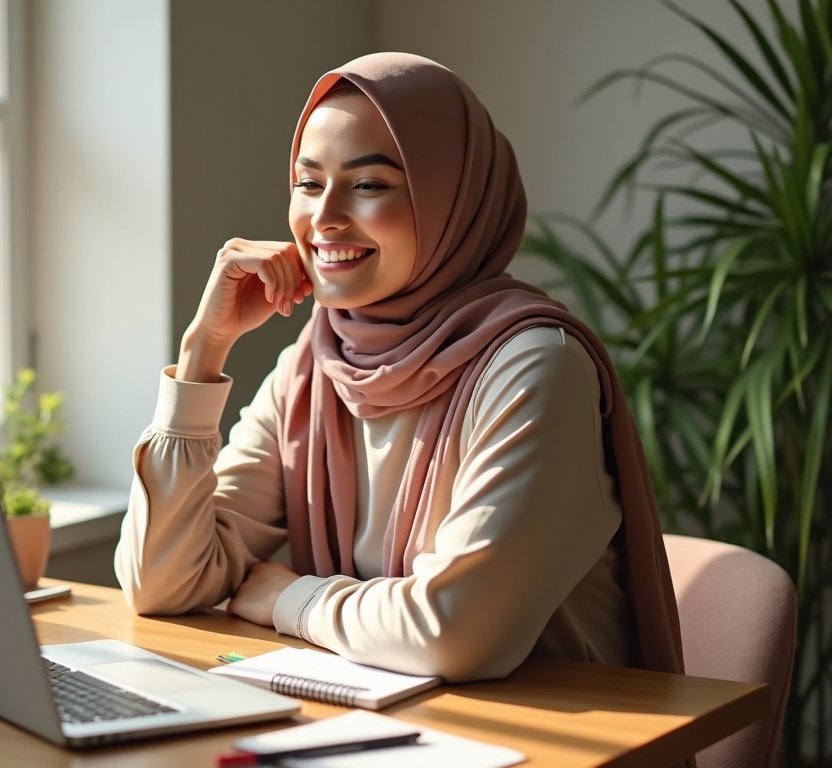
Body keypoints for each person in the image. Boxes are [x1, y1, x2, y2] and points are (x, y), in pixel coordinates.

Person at [115, 52, 684, 683]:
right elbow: (164, 582)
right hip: (388, 731)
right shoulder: (316, 364)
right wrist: (203, 352)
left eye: (368, 185)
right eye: (308, 183)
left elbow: (455, 633)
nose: (323, 218)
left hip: (556, 737)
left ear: (451, 202)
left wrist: (288, 599)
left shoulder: (534, 366)